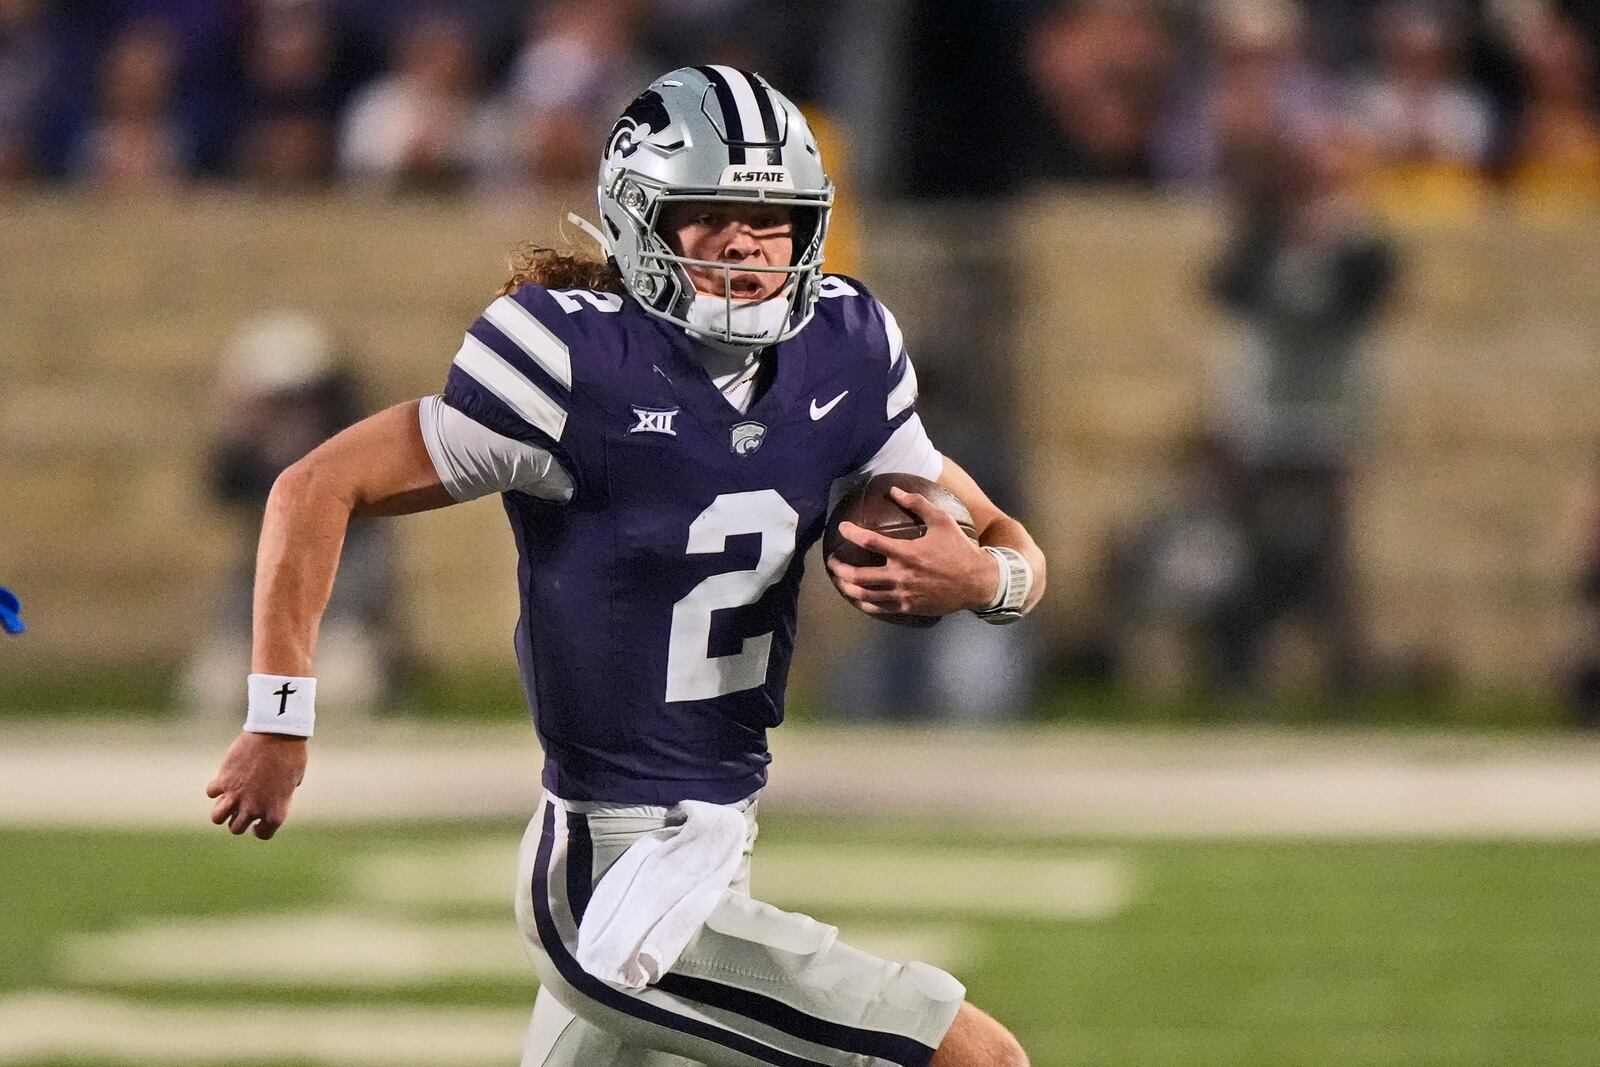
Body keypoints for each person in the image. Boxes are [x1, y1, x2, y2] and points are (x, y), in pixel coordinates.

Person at [206, 66, 1044, 1067]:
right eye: (708, 213)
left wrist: (982, 581)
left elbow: (1006, 542)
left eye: (771, 217)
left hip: (715, 845)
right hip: (609, 880)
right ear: (639, 220)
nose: (744, 242)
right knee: (973, 1057)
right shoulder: (568, 364)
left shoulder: (847, 353)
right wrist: (279, 718)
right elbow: (314, 484)